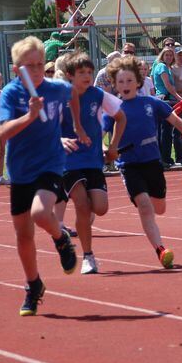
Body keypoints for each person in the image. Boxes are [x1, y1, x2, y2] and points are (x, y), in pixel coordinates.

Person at [0, 36, 82, 316]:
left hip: (50, 164)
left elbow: (72, 96)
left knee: (40, 213)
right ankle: (33, 285)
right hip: (21, 170)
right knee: (23, 236)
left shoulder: (57, 89)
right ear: (17, 69)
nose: (35, 71)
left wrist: (75, 128)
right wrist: (30, 117)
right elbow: (2, 132)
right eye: (29, 66)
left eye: (39, 64)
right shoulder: (11, 94)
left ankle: (61, 239)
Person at [107, 55, 182, 268]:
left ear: (138, 82)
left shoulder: (152, 103)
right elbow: (97, 136)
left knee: (159, 208)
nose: (125, 85)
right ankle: (160, 249)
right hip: (129, 165)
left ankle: (153, 223)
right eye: (120, 82)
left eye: (129, 81)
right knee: (145, 206)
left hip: (152, 163)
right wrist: (106, 151)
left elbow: (177, 121)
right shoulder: (113, 110)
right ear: (114, 85)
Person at [59, 52, 126, 275]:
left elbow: (120, 117)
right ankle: (88, 256)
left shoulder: (98, 94)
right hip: (69, 160)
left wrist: (113, 145)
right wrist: (59, 139)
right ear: (70, 75)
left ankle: (83, 222)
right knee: (80, 202)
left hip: (93, 158)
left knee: (100, 207)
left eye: (90, 72)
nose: (87, 76)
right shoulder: (61, 97)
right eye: (82, 73)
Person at [151, 46, 181, 166]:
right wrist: (179, 98)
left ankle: (167, 157)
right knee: (164, 130)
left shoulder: (168, 68)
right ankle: (163, 158)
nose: (169, 57)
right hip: (164, 98)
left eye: (170, 55)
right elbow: (168, 86)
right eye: (166, 55)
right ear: (162, 56)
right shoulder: (162, 66)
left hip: (169, 98)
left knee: (168, 130)